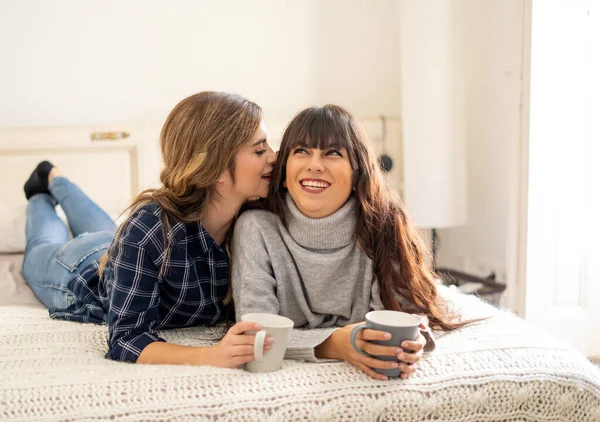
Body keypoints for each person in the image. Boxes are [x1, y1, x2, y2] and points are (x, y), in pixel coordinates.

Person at [21, 91, 277, 367]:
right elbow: (127, 340)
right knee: (41, 246)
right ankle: (44, 189)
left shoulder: (256, 220)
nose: (274, 156)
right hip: (78, 270)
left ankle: (56, 178)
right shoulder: (149, 229)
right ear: (215, 169)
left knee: (106, 228)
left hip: (116, 249)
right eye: (260, 149)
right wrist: (212, 356)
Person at [231, 104, 467, 381]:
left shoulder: (384, 226)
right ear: (283, 173)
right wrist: (333, 344)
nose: (315, 165)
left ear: (358, 173)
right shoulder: (256, 228)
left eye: (332, 153)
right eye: (301, 151)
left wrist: (410, 345)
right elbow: (258, 333)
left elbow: (400, 318)